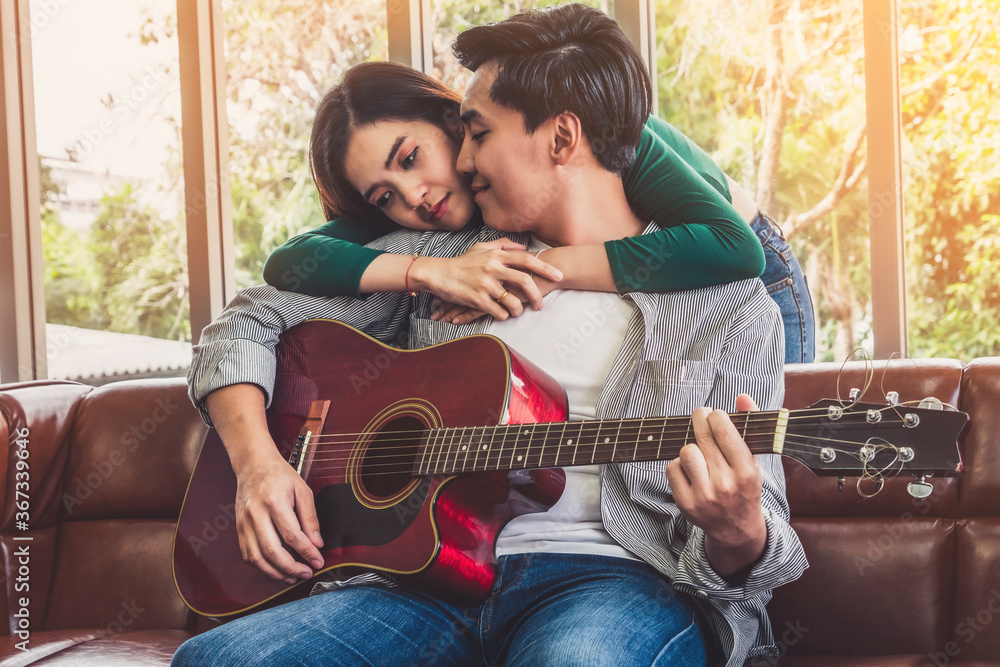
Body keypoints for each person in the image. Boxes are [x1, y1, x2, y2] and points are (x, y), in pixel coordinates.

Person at [172, 5, 807, 666]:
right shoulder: (450, 259)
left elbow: (765, 547)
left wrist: (739, 531)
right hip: (423, 581)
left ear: (563, 138)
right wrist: (258, 466)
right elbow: (249, 317)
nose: (459, 163)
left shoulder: (730, 303)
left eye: (474, 132)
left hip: (613, 581)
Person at [260, 64, 816, 363]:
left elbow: (732, 249)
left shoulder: (597, 132)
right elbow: (291, 261)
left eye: (410, 158)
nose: (413, 196)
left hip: (750, 271)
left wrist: (548, 271)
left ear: (452, 120)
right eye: (383, 196)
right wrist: (427, 271)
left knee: (771, 458)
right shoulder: (420, 213)